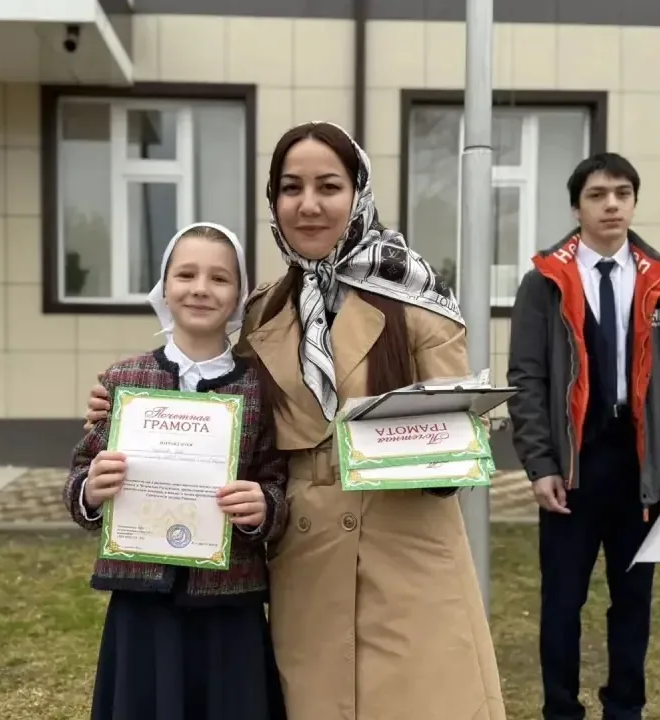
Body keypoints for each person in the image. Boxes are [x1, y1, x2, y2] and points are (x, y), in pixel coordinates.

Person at [85, 122, 506, 720]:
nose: (308, 205)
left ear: (358, 193)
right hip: (306, 563)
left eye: (328, 186)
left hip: (406, 558)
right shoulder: (265, 310)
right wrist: (123, 410)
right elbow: (222, 403)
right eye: (291, 188)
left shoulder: (417, 299)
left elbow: (459, 437)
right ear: (274, 200)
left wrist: (435, 451)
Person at [506, 152, 660, 720]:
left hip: (639, 465)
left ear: (634, 202)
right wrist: (541, 463)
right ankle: (561, 710)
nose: (611, 204)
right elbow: (527, 380)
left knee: (633, 602)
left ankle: (624, 709)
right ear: (577, 207)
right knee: (562, 601)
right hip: (574, 465)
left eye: (622, 194)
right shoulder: (544, 282)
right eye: (597, 195)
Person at [63, 222, 289, 720]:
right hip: (143, 605)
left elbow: (277, 480)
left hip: (229, 603)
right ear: (164, 287)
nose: (201, 289)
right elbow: (80, 474)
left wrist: (263, 507)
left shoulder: (261, 388)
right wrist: (91, 491)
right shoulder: (124, 381)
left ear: (239, 296)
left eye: (219, 278)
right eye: (186, 275)